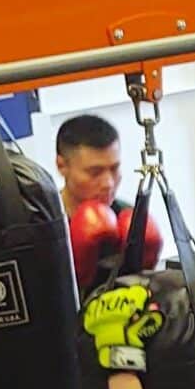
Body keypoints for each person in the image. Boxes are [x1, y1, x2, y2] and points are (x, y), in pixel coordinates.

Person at [55, 114, 159, 291]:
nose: (108, 183)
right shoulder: (44, 226)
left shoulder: (129, 218)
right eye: (94, 172)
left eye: (114, 169)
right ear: (62, 166)